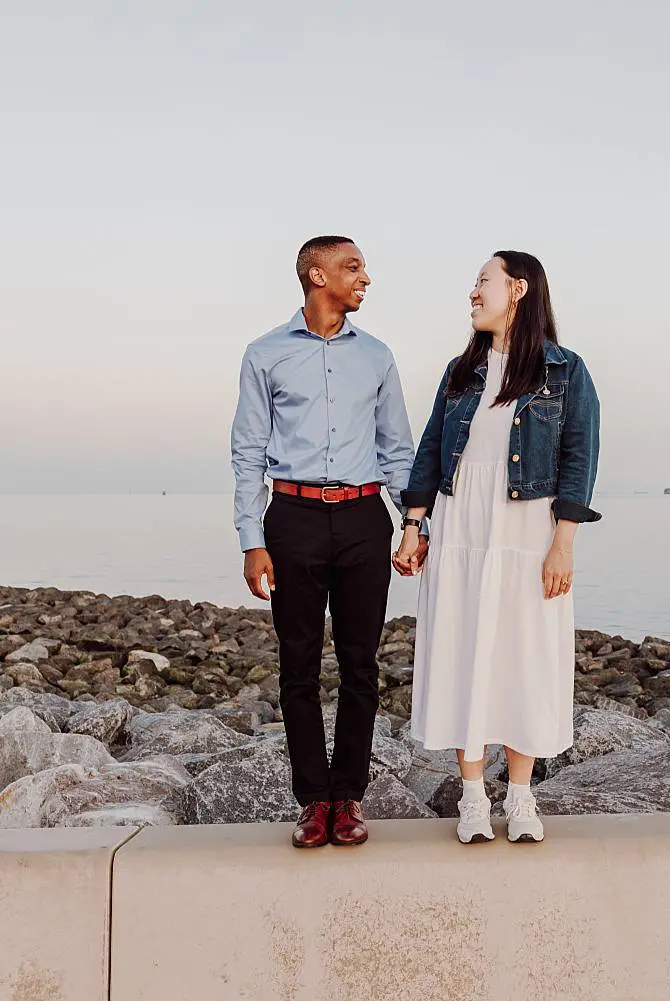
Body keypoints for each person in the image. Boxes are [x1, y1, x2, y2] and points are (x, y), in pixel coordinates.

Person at [394, 250, 601, 845]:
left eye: (482, 281)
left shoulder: (565, 371)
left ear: (517, 289)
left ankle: (522, 794)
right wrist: (414, 524)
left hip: (528, 529)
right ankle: (473, 796)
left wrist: (563, 543)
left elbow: (578, 459)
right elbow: (432, 448)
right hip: (463, 527)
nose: (473, 293)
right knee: (465, 649)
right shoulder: (461, 371)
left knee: (524, 655)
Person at [231, 235, 422, 849]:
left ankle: (350, 798)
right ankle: (314, 801)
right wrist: (250, 538)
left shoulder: (378, 357)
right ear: (317, 275)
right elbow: (247, 453)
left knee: (362, 665)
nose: (365, 276)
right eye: (353, 266)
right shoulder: (265, 355)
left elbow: (398, 450)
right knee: (299, 668)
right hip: (292, 519)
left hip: (366, 518)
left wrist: (415, 526)